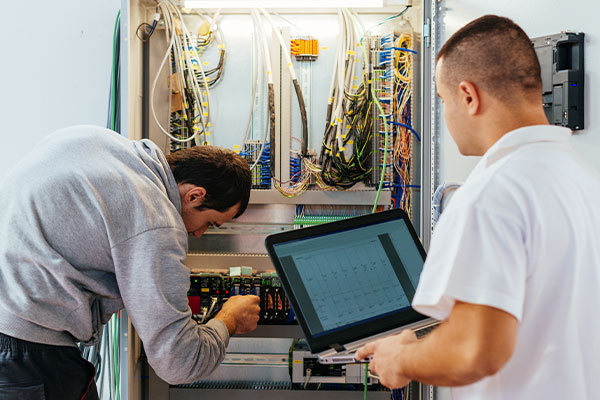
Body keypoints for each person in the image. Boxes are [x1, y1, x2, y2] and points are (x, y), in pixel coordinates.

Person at [357, 15, 600, 399]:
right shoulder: (582, 181)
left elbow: (475, 351)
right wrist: (413, 345)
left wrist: (398, 362)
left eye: (442, 100)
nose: (446, 116)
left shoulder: (490, 194)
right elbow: (528, 318)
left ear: (468, 96)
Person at [0, 126, 261, 399]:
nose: (199, 233)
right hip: (26, 358)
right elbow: (179, 363)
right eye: (210, 223)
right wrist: (229, 318)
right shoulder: (155, 218)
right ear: (195, 195)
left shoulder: (98, 141)